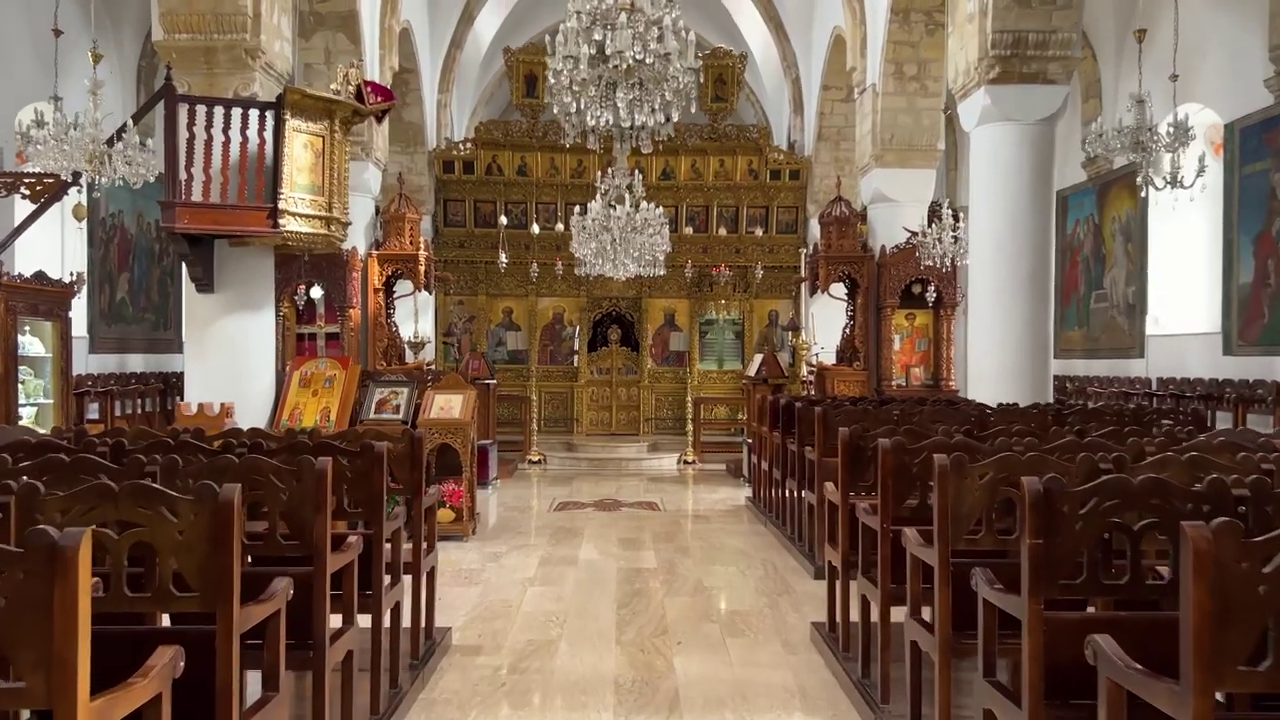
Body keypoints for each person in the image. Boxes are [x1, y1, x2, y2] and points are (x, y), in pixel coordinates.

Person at [892, 312, 932, 385]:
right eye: (909, 319)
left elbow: (921, 341)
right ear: (906, 320)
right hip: (905, 350)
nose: (911, 320)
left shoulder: (919, 330)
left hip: (915, 350)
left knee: (916, 358)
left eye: (912, 319)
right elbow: (898, 342)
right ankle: (903, 377)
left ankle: (916, 378)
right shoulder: (902, 330)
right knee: (900, 358)